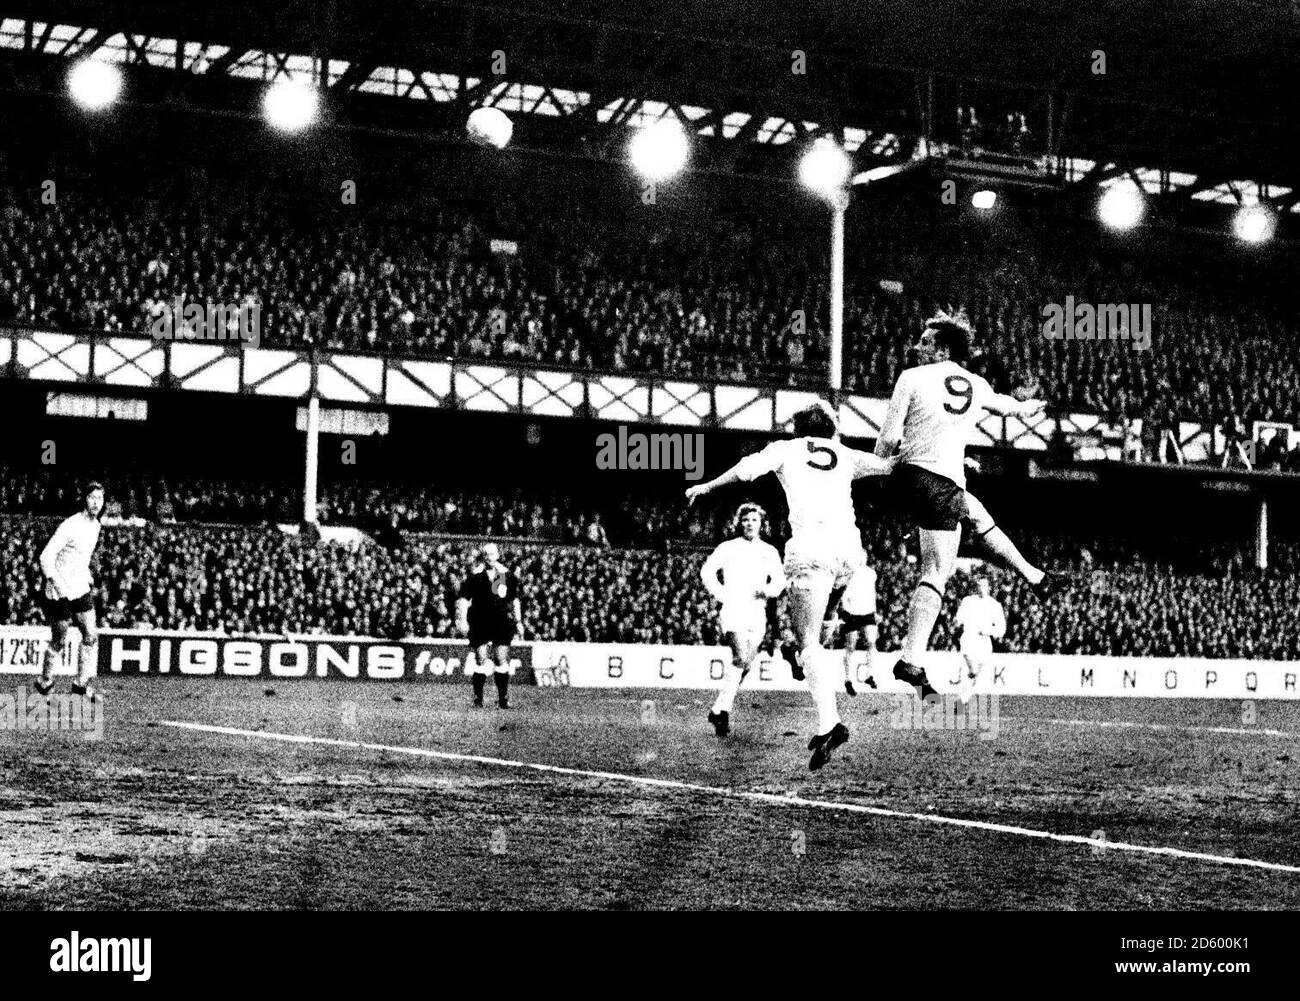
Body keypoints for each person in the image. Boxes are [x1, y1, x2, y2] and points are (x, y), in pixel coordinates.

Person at [687, 400, 893, 770]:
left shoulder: (786, 449)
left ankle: (830, 723)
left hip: (811, 549)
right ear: (830, 428)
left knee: (808, 640)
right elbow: (892, 466)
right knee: (825, 618)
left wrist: (706, 487)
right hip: (849, 551)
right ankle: (805, 657)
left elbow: (744, 471)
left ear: (798, 428)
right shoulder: (845, 454)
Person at [874, 311, 1052, 700]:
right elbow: (1008, 406)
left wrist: (883, 470)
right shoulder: (975, 384)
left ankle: (1035, 575)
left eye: (924, 343)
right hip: (938, 481)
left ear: (942, 349)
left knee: (975, 511)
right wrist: (1031, 407)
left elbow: (887, 439)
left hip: (920, 478)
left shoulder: (911, 377)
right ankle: (911, 659)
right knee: (936, 571)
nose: (916, 348)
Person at [699, 503, 786, 737]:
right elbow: (707, 572)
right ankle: (723, 712)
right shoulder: (728, 548)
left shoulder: (769, 551)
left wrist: (767, 591)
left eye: (754, 520)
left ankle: (718, 708)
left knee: (746, 664)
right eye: (746, 519)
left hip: (757, 612)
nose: (750, 523)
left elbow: (779, 581)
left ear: (761, 524)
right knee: (739, 657)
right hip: (734, 609)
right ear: (740, 522)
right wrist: (722, 593)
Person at [36, 482, 105, 701]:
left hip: (79, 586)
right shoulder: (70, 525)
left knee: (91, 635)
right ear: (85, 499)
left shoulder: (96, 527)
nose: (96, 502)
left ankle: (80, 686)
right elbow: (45, 557)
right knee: (60, 639)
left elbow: (80, 557)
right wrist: (56, 584)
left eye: (100, 499)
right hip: (59, 587)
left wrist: (85, 573)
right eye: (92, 497)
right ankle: (45, 682)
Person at [455, 543, 521, 709]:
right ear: (483, 556)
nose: (490, 557)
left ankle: (503, 699)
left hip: (501, 621)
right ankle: (478, 698)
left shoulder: (506, 574)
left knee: (501, 659)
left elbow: (514, 600)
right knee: (481, 658)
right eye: (487, 555)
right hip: (480, 621)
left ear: (498, 555)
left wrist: (518, 621)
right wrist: (462, 619)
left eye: (493, 554)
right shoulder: (475, 575)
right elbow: (463, 599)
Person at [953, 573, 1005, 703]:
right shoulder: (968, 601)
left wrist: (988, 631)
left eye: (984, 585)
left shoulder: (995, 605)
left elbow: (1001, 629)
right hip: (969, 639)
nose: (981, 587)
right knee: (973, 670)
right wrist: (956, 622)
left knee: (974, 676)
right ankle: (961, 701)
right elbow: (959, 618)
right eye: (979, 585)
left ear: (989, 587)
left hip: (984, 643)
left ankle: (961, 701)